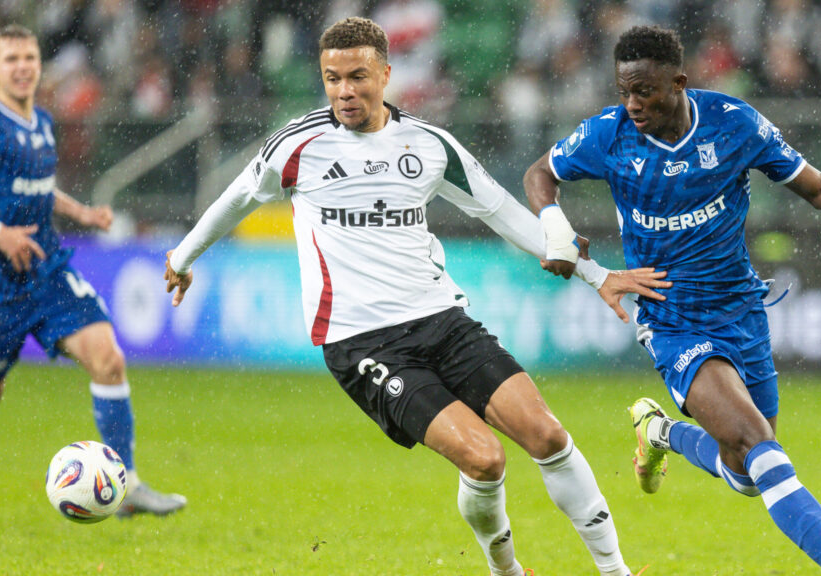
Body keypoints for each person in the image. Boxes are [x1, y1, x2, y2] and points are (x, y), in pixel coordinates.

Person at [164, 17, 660, 576]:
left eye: (357, 77)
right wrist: (182, 258)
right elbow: (236, 198)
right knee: (484, 457)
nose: (345, 91)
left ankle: (616, 572)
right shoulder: (298, 145)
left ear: (385, 74)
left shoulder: (427, 145)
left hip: (442, 320)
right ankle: (507, 571)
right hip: (361, 341)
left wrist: (596, 274)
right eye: (332, 79)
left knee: (547, 435)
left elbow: (498, 209)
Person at [523, 25, 821, 576]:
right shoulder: (608, 135)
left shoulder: (733, 123)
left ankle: (661, 432)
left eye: (645, 91)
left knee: (745, 469)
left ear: (680, 82)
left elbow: (819, 188)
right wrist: (554, 225)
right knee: (762, 450)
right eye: (624, 91)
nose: (632, 104)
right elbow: (541, 173)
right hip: (672, 316)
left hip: (741, 308)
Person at [0, 24, 185, 518]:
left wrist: (80, 213)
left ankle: (127, 482)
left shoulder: (39, 119)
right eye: (10, 59)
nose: (22, 67)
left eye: (29, 58)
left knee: (108, 358)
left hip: (46, 271)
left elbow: (34, 187)